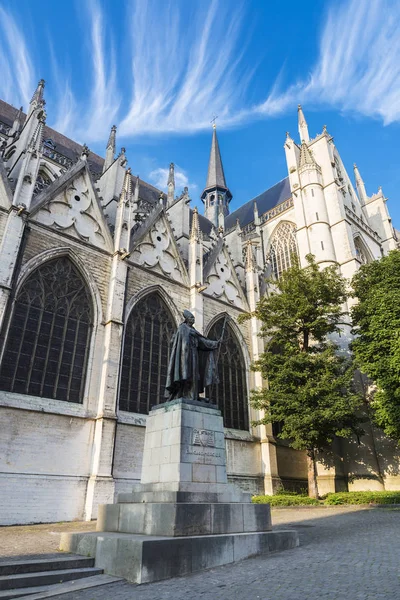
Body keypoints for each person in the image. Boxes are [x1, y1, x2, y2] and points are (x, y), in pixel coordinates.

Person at [165, 310, 221, 402]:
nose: (193, 320)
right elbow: (174, 341)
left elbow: (202, 342)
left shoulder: (193, 330)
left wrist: (215, 343)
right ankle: (180, 394)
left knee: (194, 376)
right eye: (191, 318)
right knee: (184, 374)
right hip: (183, 356)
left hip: (193, 355)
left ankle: (193, 396)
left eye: (193, 318)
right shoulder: (182, 328)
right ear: (186, 319)